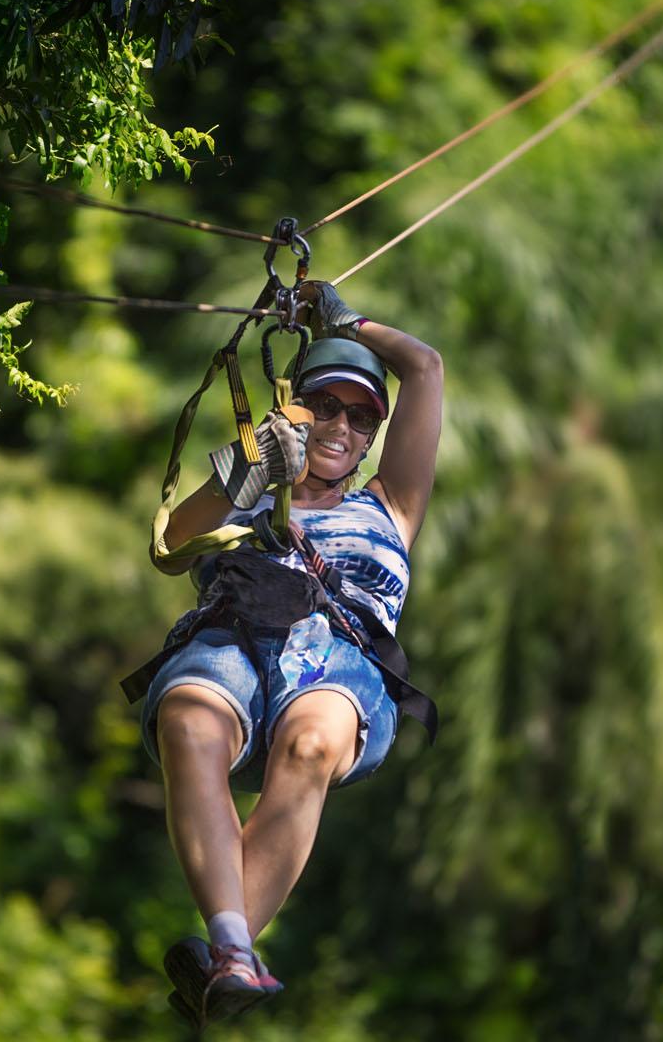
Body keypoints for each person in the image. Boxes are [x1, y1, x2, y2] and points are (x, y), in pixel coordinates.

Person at [137, 281, 443, 1024]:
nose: (343, 426)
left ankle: (227, 954)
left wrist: (347, 322)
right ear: (295, 409)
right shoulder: (247, 489)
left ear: (375, 434)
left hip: (334, 661)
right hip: (233, 640)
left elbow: (426, 369)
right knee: (188, 721)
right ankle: (234, 952)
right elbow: (174, 543)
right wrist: (245, 467)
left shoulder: (389, 506)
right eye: (326, 407)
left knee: (311, 743)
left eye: (362, 416)